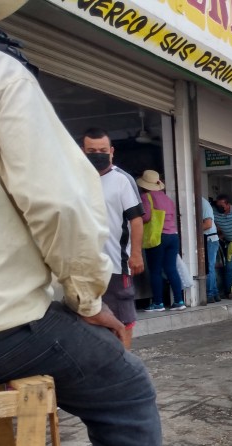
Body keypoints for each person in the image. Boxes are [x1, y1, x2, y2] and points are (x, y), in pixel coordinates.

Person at [0, 1, 193, 446]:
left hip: (113, 261)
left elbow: (133, 225)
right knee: (126, 393)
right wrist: (88, 298)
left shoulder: (128, 188)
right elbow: (63, 209)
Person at [81, 127, 144, 348]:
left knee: (123, 316)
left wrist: (136, 254)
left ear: (112, 151)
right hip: (85, 263)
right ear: (82, 151)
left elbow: (136, 220)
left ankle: (124, 364)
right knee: (88, 315)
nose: (97, 154)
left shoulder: (122, 180)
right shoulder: (76, 178)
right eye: (91, 150)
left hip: (117, 263)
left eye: (102, 150)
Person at [137, 170, 185, 311]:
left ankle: (158, 303)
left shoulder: (146, 197)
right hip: (173, 236)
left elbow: (146, 217)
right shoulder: (167, 198)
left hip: (157, 236)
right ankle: (179, 301)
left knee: (155, 271)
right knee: (171, 269)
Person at [202, 196, 222, 303]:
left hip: (210, 239)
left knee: (209, 268)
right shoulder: (203, 203)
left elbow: (208, 224)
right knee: (210, 268)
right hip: (211, 239)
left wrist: (190, 228)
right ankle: (214, 293)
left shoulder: (202, 203)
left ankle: (210, 294)